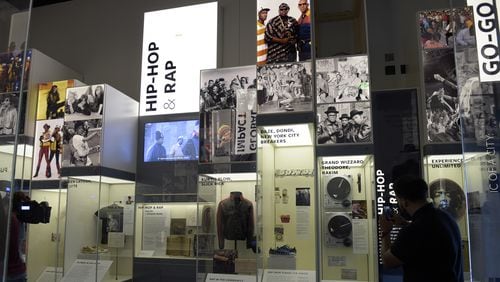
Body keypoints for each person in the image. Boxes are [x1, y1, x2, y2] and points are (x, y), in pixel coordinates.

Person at [380, 175, 464, 282]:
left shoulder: (413, 231)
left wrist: (386, 231)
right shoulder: (445, 217)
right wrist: (405, 223)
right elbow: (428, 235)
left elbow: (388, 262)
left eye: (398, 199)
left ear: (404, 201)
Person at [7, 191, 28, 282]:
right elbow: (22, 246)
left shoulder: (10, 219)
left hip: (10, 270)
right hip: (18, 269)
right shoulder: (18, 220)